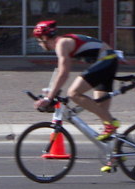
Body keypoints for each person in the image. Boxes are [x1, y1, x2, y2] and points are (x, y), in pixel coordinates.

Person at [33, 20, 120, 172]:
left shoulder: (61, 44)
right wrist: (51, 91)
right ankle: (115, 155)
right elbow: (59, 72)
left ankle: (112, 123)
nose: (39, 44)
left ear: (45, 38)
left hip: (105, 60)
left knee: (73, 93)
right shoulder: (63, 44)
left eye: (39, 40)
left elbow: (64, 73)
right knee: (101, 109)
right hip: (108, 60)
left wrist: (48, 98)